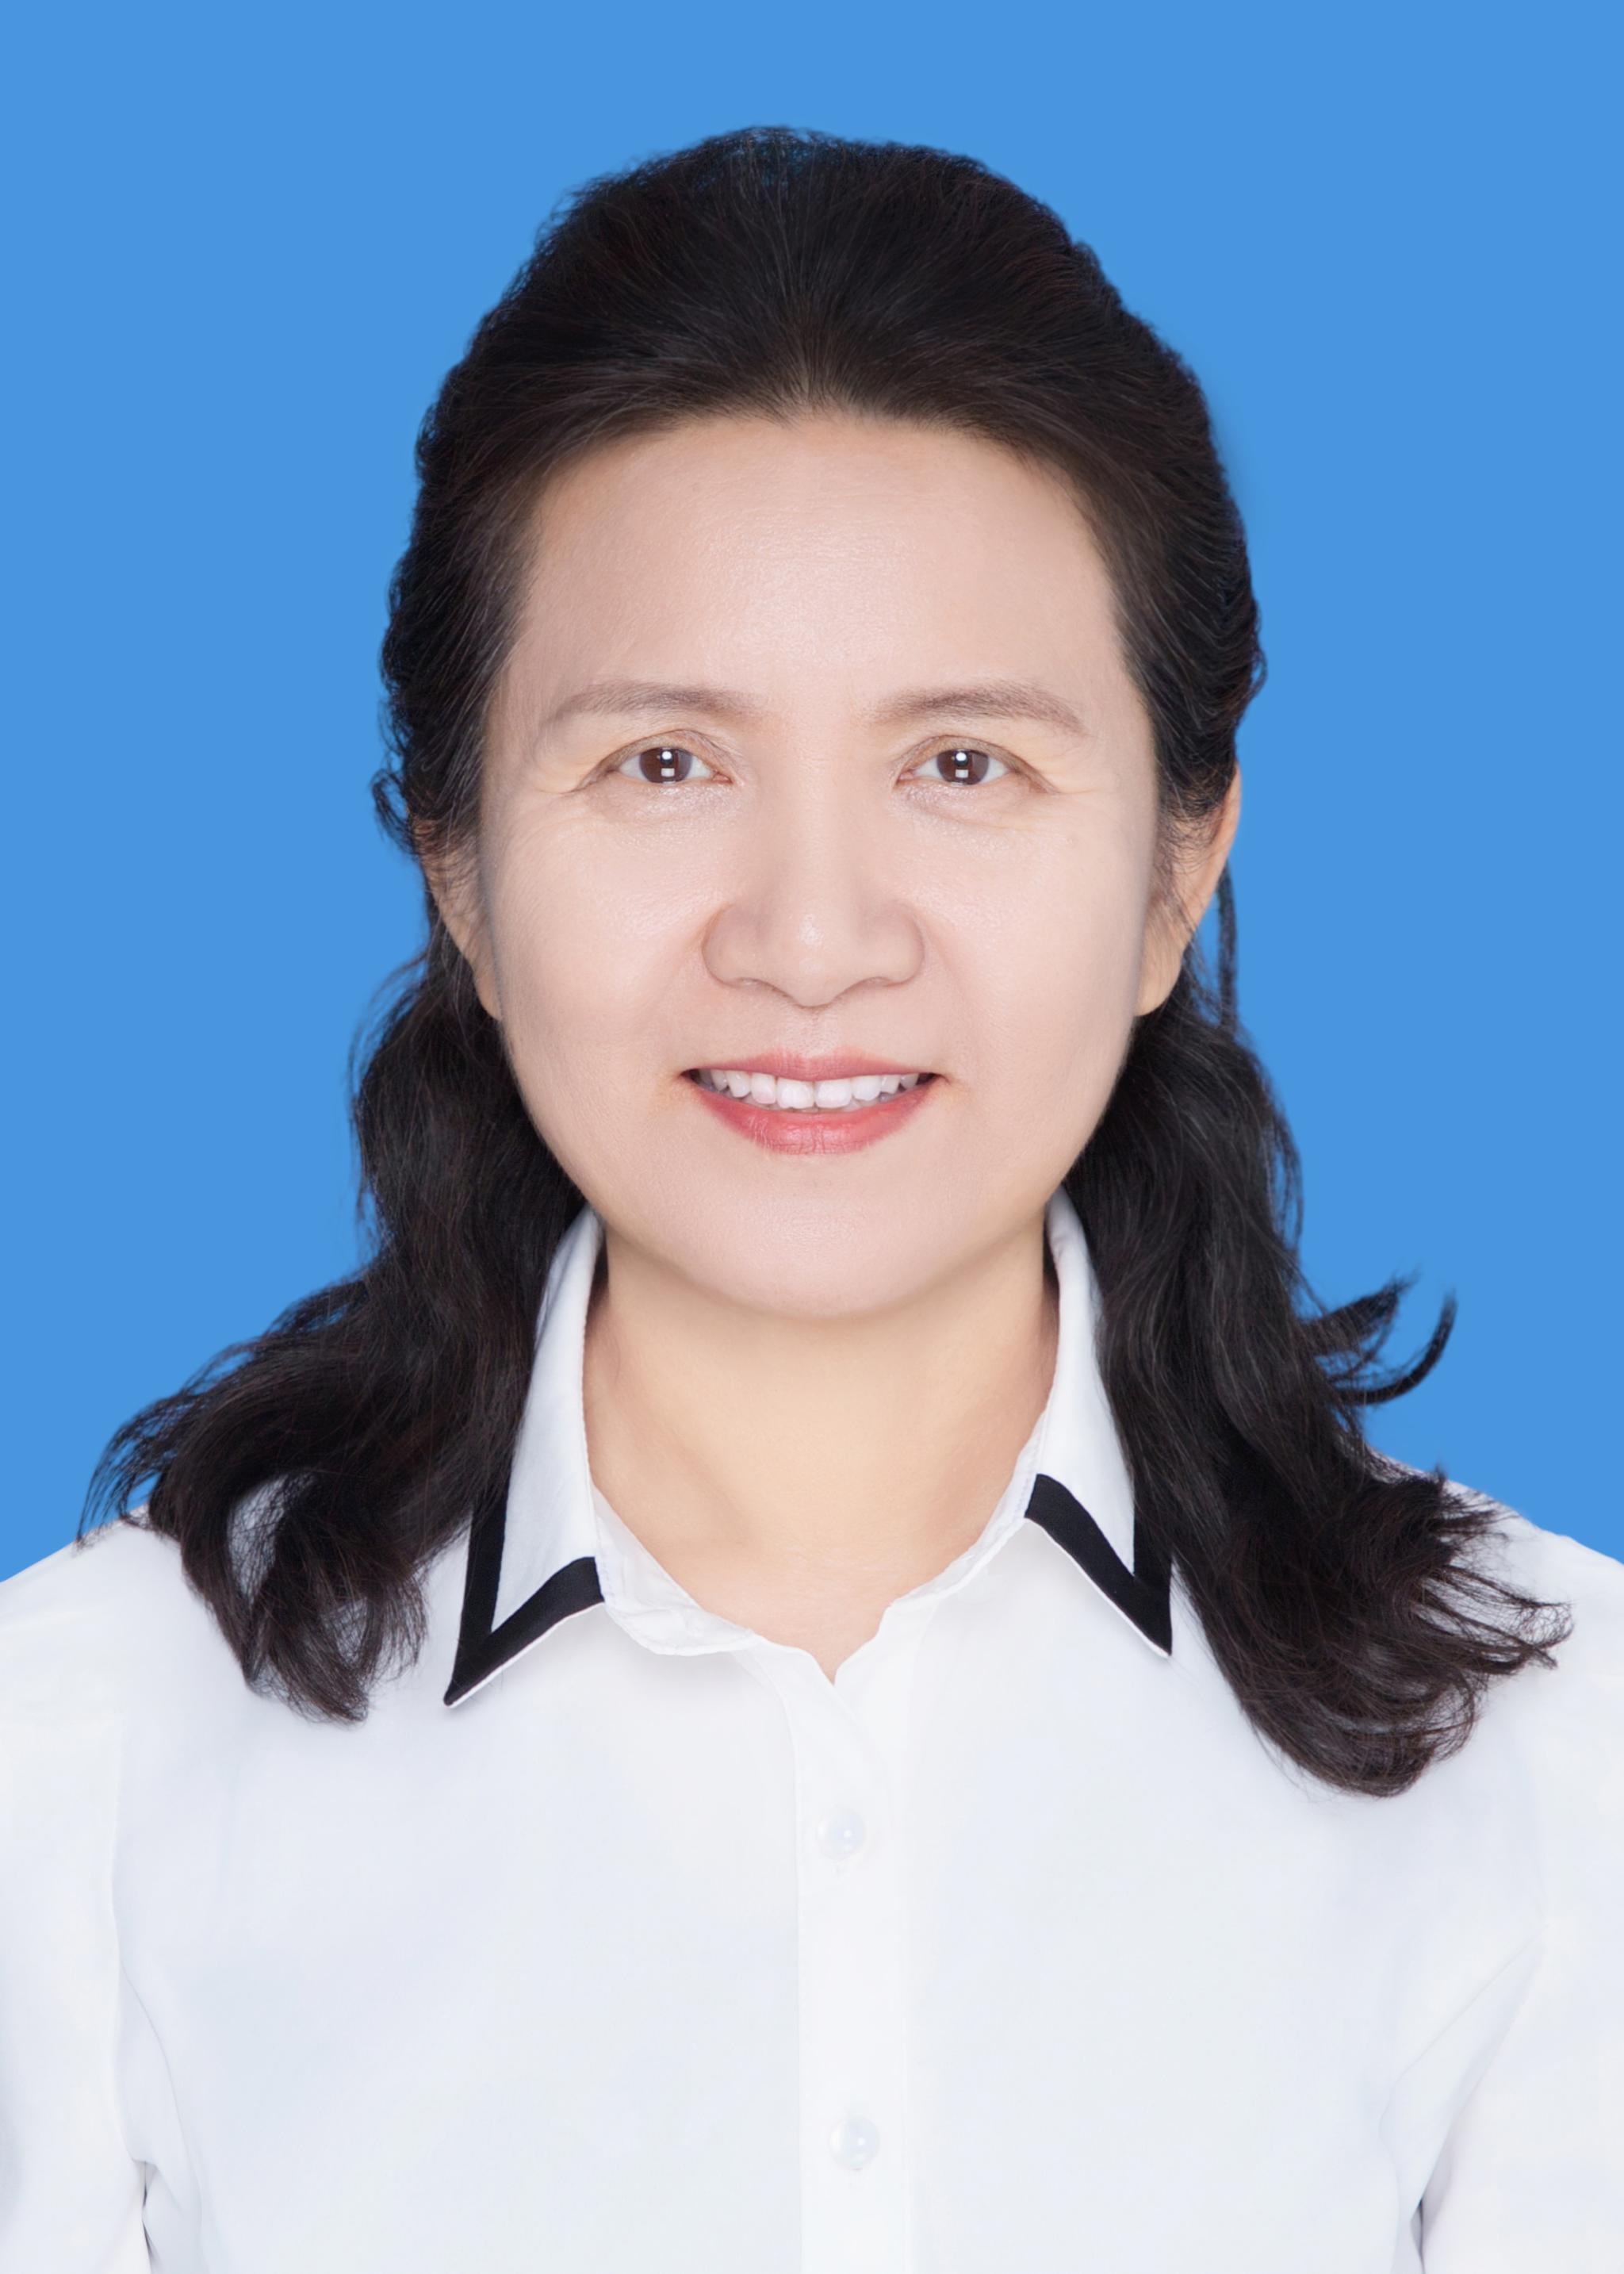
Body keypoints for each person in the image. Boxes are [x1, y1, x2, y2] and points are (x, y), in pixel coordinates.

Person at [1, 125, 1618, 2273]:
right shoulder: (83, 1762)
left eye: (964, 764)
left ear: (1178, 869)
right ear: (457, 865)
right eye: (665, 762)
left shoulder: (1551, 1761)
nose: (813, 936)